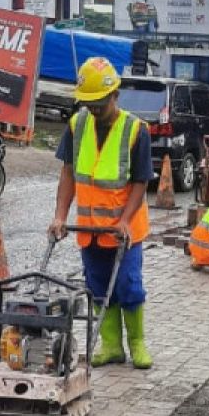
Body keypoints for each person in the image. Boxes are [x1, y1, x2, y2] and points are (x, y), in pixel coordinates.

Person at [48, 57, 153, 370]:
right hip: (90, 230)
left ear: (115, 96)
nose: (94, 108)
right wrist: (59, 215)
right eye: (89, 102)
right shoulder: (76, 125)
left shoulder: (136, 130)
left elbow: (140, 181)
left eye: (99, 102)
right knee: (96, 286)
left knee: (128, 286)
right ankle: (110, 344)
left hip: (125, 229)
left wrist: (123, 220)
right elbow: (68, 173)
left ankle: (137, 343)